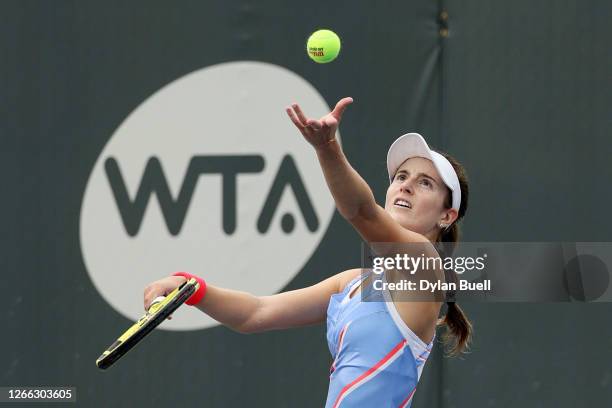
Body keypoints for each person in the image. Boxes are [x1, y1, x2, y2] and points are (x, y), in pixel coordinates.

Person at [144, 97, 472, 407]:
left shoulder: (427, 268)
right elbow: (254, 314)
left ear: (447, 216)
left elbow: (362, 212)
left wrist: (327, 148)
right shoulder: (352, 284)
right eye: (401, 176)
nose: (406, 185)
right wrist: (190, 287)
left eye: (426, 183)